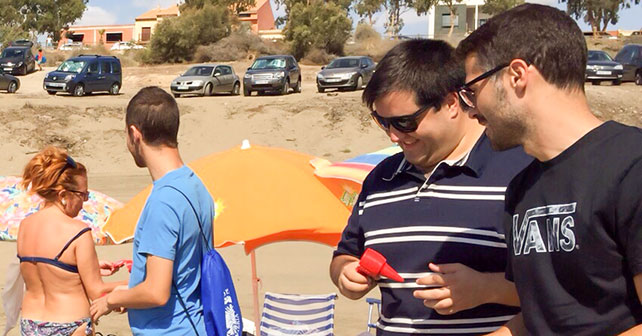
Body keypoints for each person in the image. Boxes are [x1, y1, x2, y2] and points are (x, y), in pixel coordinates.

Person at [456, 4, 642, 335]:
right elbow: (541, 317)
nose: (470, 111)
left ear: (516, 75)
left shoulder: (632, 164)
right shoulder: (521, 190)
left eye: (472, 92)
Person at [329, 39, 532, 335]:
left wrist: (487, 289)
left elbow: (567, 287)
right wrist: (345, 273)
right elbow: (346, 253)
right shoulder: (379, 178)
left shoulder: (521, 170)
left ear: (451, 104)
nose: (394, 136)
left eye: (405, 122)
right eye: (383, 122)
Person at [90, 86, 215, 335]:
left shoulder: (163, 202)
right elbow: (182, 274)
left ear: (135, 134)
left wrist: (110, 301)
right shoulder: (195, 184)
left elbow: (156, 292)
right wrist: (128, 294)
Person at [17, 146, 125, 336]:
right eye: (82, 195)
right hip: (69, 324)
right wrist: (134, 284)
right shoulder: (78, 231)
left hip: (31, 323)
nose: (84, 202)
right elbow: (96, 291)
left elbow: (45, 270)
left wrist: (90, 267)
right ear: (63, 195)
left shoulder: (25, 226)